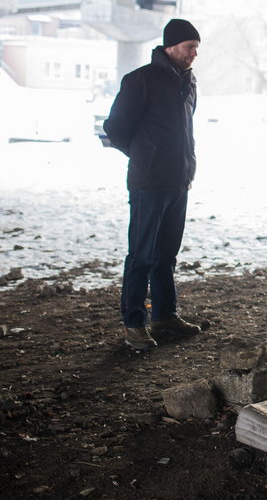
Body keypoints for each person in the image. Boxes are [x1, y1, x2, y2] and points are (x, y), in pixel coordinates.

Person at [104, 18, 203, 350]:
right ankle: (134, 325)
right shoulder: (140, 80)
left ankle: (164, 316)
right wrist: (144, 154)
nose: (193, 55)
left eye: (196, 49)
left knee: (166, 255)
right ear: (171, 46)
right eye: (190, 48)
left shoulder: (189, 83)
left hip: (178, 181)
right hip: (148, 182)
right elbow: (115, 127)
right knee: (142, 255)